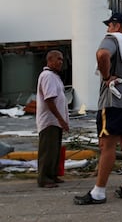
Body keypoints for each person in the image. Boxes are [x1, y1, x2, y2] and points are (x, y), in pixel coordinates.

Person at [74, 13, 122, 205]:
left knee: (107, 145)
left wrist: (107, 75)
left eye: (109, 25)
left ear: (116, 26)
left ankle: (98, 192)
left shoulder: (112, 39)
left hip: (115, 102)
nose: (107, 29)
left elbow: (102, 55)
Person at [36, 50, 69, 188]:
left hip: (56, 121)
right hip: (50, 120)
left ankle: (52, 175)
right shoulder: (47, 76)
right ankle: (44, 178)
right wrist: (60, 119)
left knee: (54, 149)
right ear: (49, 60)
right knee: (48, 150)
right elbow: (49, 99)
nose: (61, 62)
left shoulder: (55, 76)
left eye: (62, 59)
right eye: (58, 59)